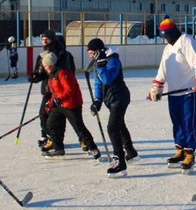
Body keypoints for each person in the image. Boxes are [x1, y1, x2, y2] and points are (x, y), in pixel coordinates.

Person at [147, 16, 196, 174]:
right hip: (174, 93)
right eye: (163, 35)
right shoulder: (167, 48)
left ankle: (190, 152)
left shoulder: (186, 41)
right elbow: (162, 70)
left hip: (188, 91)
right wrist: (156, 87)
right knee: (177, 123)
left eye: (167, 34)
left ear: (173, 31)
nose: (165, 38)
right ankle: (180, 149)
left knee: (188, 122)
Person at [87, 38, 139, 178]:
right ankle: (131, 152)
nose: (90, 56)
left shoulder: (113, 60)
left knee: (112, 127)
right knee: (119, 125)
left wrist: (101, 63)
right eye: (89, 53)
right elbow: (98, 82)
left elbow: (107, 79)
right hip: (110, 99)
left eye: (92, 53)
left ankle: (120, 161)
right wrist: (97, 100)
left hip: (120, 97)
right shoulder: (99, 63)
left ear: (99, 52)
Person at [27, 30, 85, 154]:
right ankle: (50, 138)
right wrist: (34, 77)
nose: (44, 42)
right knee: (44, 114)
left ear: (53, 40)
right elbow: (40, 72)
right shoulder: (42, 55)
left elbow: (70, 72)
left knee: (73, 117)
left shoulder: (65, 55)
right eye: (42, 39)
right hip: (48, 90)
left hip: (64, 91)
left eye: (46, 39)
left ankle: (83, 138)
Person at [40, 52, 101, 160]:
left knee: (79, 127)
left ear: (51, 64)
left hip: (72, 104)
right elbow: (54, 92)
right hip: (60, 105)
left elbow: (70, 90)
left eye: (45, 66)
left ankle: (93, 148)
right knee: (50, 124)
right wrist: (50, 102)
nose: (45, 68)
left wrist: (59, 99)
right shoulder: (52, 75)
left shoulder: (63, 73)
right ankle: (58, 148)